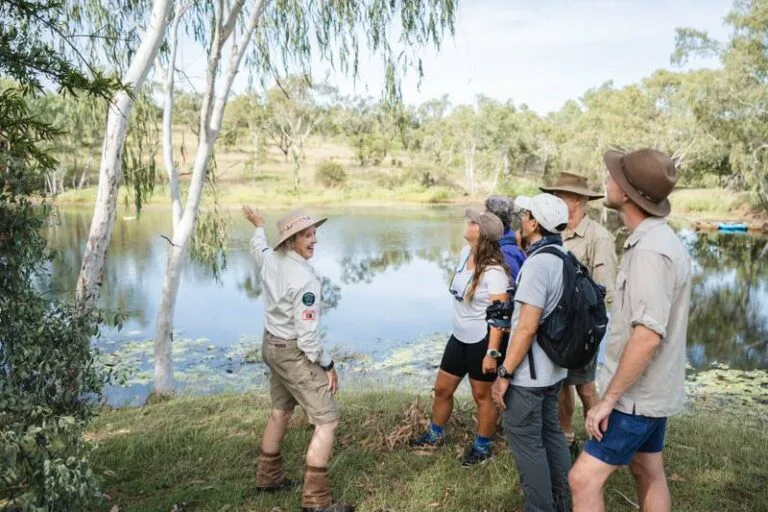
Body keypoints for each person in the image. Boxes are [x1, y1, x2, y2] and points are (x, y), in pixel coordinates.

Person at [568, 149, 692, 512]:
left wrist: (607, 401)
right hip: (649, 393)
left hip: (635, 399)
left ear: (626, 191)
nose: (606, 182)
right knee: (646, 468)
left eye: (612, 177)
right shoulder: (655, 240)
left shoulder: (652, 251)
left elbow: (648, 334)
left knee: (582, 479)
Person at [243, 206, 354, 512]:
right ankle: (316, 503)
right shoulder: (306, 279)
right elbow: (307, 339)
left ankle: (268, 479)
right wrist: (328, 364)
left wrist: (258, 226)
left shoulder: (271, 259)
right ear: (291, 241)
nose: (314, 240)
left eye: (314, 233)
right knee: (327, 421)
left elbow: (258, 248)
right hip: (292, 351)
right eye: (307, 235)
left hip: (271, 346)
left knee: (280, 411)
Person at [410, 209, 511, 468]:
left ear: (482, 233)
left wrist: (492, 353)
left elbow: (500, 317)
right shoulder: (464, 254)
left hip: (482, 341)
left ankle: (482, 447)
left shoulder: (494, 272)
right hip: (459, 337)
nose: (468, 223)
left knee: (482, 396)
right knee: (442, 389)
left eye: (473, 222)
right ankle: (434, 435)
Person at [491, 193, 572, 512]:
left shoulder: (538, 265)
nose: (521, 219)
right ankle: (566, 502)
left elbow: (526, 327)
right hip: (554, 371)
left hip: (530, 375)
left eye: (525, 214)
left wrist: (504, 374)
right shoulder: (565, 257)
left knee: (529, 445)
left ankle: (540, 507)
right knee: (552, 436)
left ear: (535, 223)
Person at [540, 173, 618, 456]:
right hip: (555, 328)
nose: (555, 200)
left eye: (560, 195)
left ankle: (601, 438)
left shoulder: (599, 237)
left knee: (585, 385)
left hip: (582, 328)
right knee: (561, 384)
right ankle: (567, 438)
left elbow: (604, 292)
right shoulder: (553, 234)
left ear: (579, 200)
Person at [485, 195, 526, 279]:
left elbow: (512, 287)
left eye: (486, 212)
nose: (482, 215)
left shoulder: (506, 252)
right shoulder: (506, 237)